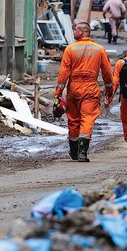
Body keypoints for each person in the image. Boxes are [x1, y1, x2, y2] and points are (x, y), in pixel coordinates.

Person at [54, 20, 114, 162]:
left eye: (75, 29)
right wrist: (109, 90)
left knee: (73, 119)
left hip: (73, 88)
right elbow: (107, 72)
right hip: (90, 88)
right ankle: (82, 152)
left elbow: (63, 74)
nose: (73, 31)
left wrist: (58, 93)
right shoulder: (99, 49)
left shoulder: (70, 49)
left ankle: (74, 151)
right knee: (87, 118)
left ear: (82, 31)